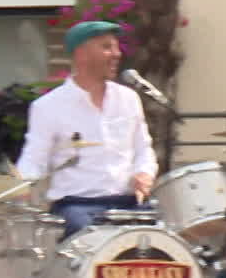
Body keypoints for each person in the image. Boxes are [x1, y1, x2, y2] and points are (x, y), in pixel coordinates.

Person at [15, 20, 157, 238]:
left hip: (127, 204)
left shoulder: (128, 99)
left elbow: (143, 149)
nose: (117, 54)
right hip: (77, 207)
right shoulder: (47, 107)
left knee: (162, 241)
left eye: (117, 47)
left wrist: (144, 173)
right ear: (81, 54)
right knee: (89, 237)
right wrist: (18, 187)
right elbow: (34, 160)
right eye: (107, 47)